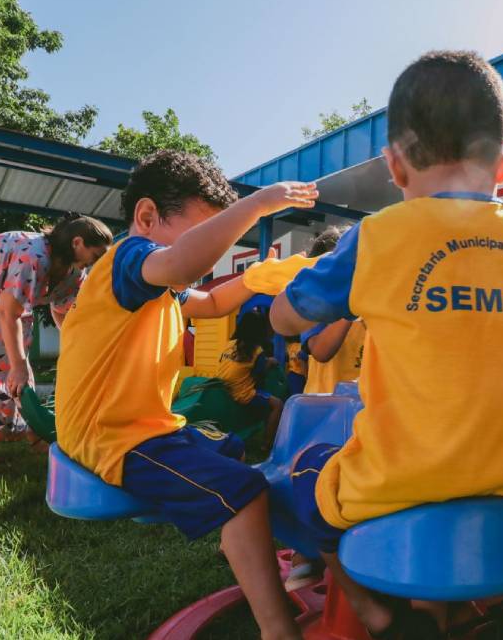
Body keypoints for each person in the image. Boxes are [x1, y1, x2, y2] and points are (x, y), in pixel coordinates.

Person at [271, 50, 503, 638]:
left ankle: (381, 617)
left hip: (398, 485)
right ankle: (470, 611)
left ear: (394, 166)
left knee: (296, 476)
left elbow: (288, 320)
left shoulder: (378, 239)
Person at [54, 149, 317, 640]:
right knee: (245, 492)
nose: (210, 251)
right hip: (114, 438)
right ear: (147, 217)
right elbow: (181, 263)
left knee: (233, 452)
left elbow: (213, 302)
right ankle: (278, 627)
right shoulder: (129, 259)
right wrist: (257, 205)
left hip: (148, 427)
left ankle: (238, 544)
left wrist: (253, 279)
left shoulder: (159, 284)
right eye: (203, 232)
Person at [0, 212, 112, 463]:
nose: (97, 262)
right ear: (77, 243)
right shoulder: (33, 256)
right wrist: (18, 365)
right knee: (0, 365)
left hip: (3, 303)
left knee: (15, 362)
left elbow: (62, 309)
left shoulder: (74, 272)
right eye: (97, 255)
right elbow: (9, 312)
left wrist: (74, 349)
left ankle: (36, 438)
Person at [300, 228, 366, 395]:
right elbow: (321, 352)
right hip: (325, 406)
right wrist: (349, 309)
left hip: (364, 405)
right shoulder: (316, 304)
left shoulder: (372, 301)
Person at [214, 309, 283, 445]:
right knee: (278, 404)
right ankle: (267, 444)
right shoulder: (256, 350)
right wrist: (269, 362)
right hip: (242, 393)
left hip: (222, 388)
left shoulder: (230, 344)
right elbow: (260, 374)